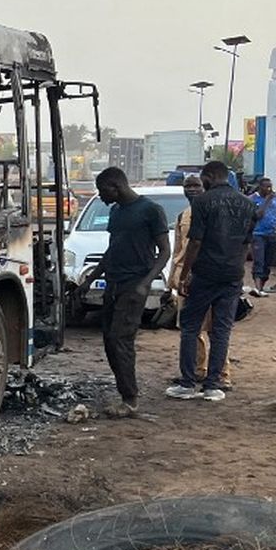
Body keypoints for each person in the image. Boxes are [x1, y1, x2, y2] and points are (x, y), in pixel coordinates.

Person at [78, 167, 169, 416]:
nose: (101, 196)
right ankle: (125, 394)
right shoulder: (117, 212)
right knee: (109, 340)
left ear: (115, 186)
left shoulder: (151, 211)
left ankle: (130, 400)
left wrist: (145, 283)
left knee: (121, 339)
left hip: (134, 285)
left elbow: (165, 252)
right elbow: (112, 250)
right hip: (113, 284)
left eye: (102, 191)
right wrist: (91, 279)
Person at [168, 160, 254, 402]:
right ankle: (213, 385)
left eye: (202, 180)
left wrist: (184, 276)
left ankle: (187, 383)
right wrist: (237, 269)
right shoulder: (247, 204)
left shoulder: (203, 203)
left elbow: (195, 242)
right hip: (232, 275)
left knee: (190, 327)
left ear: (209, 176)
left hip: (205, 273)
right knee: (221, 330)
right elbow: (246, 244)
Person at [169, 175, 231, 388]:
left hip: (207, 277)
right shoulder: (182, 216)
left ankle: (222, 374)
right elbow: (178, 251)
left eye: (196, 185)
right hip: (184, 279)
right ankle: (196, 371)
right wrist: (173, 281)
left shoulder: (215, 213)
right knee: (191, 330)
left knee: (215, 329)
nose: (192, 189)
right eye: (188, 186)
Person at [248, 177, 276, 296]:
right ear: (260, 187)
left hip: (272, 234)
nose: (269, 189)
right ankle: (258, 287)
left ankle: (262, 287)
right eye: (266, 186)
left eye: (270, 186)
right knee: (259, 261)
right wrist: (267, 201)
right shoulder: (253, 199)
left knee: (268, 262)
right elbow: (258, 215)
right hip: (257, 234)